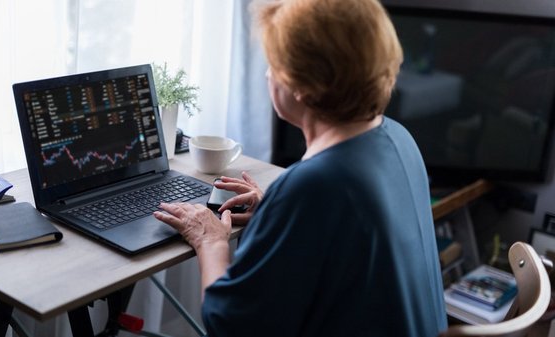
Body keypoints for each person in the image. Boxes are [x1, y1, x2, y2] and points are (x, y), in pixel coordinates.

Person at [153, 0, 447, 335]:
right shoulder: (398, 137)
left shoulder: (316, 185)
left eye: (273, 63)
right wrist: (280, 214)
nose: (266, 73)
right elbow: (351, 244)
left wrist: (211, 240)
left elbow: (231, 325)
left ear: (303, 85)